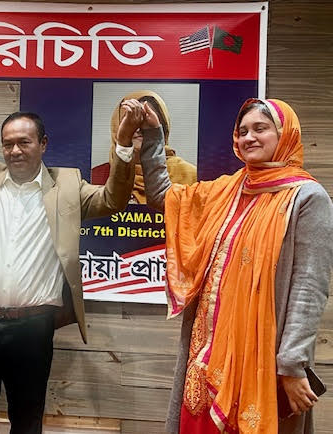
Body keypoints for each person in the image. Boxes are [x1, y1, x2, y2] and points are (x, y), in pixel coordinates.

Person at [0, 69, 158, 434]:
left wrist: (124, 143)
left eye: (24, 142)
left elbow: (113, 199)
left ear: (43, 144)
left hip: (34, 328)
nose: (15, 151)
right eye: (8, 144)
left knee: (27, 420)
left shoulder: (67, 187)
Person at [139, 98, 333, 433]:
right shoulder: (226, 190)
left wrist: (291, 363)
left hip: (262, 358)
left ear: (285, 134)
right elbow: (162, 196)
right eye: (242, 131)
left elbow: (309, 286)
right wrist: (154, 135)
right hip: (205, 353)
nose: (248, 137)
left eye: (260, 128)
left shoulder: (307, 197)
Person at [91, 90, 196, 203]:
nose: (138, 128)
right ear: (118, 127)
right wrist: (124, 142)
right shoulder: (97, 176)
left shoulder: (190, 175)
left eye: (146, 120)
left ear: (162, 128)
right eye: (131, 120)